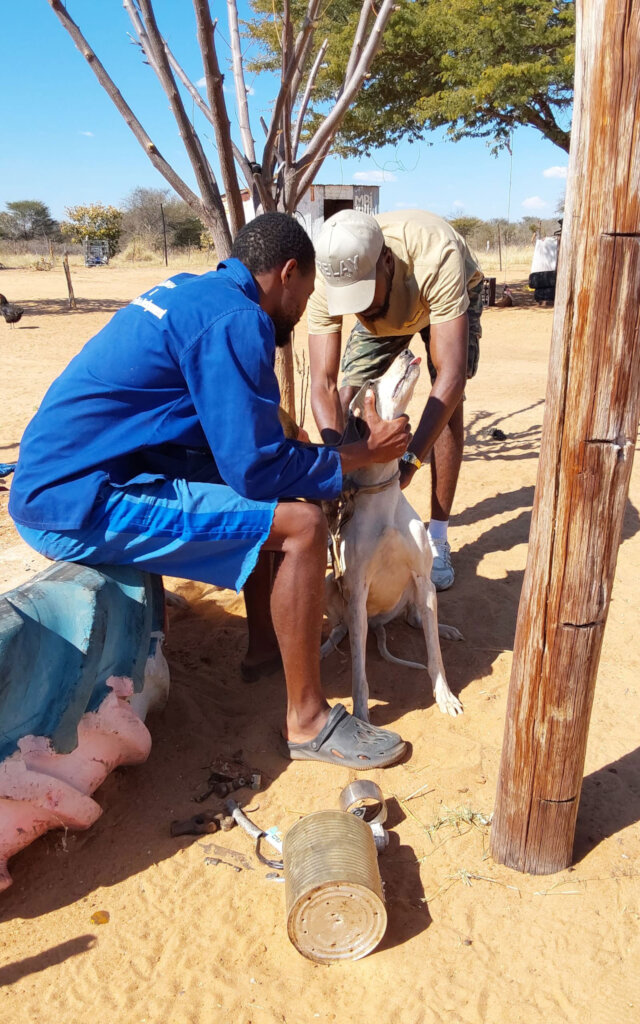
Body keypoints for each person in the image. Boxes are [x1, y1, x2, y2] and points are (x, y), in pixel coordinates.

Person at [8, 213, 411, 770]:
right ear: (288, 273)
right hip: (76, 501)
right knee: (302, 526)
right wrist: (361, 456)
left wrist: (313, 459)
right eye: (307, 292)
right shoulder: (238, 319)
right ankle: (308, 722)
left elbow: (247, 445)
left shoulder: (194, 292)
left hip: (77, 474)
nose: (302, 307)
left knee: (290, 469)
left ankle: (267, 650)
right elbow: (256, 471)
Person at [308, 208, 484, 590]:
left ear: (386, 260)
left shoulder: (436, 255)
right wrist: (340, 460)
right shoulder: (330, 277)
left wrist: (410, 460)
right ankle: (346, 518)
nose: (360, 308)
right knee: (347, 393)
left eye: (364, 293)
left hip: (447, 296)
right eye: (350, 300)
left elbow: (450, 378)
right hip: (393, 313)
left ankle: (438, 535)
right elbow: (323, 383)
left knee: (449, 407)